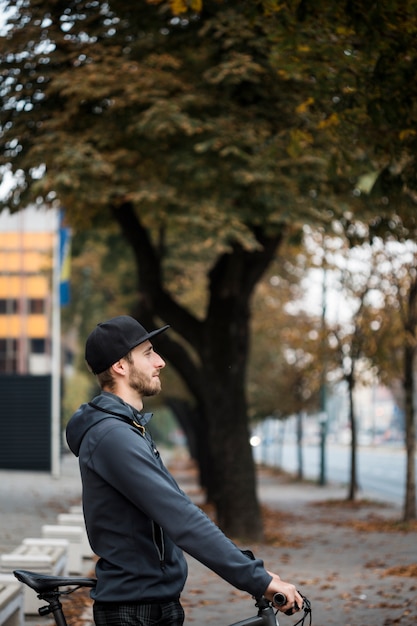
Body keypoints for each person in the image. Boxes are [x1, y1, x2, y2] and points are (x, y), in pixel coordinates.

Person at [66, 315, 303, 626]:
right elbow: (181, 518)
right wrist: (256, 579)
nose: (160, 362)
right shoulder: (114, 437)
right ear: (120, 367)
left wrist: (254, 570)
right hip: (134, 612)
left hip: (153, 602)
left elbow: (180, 510)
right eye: (148, 353)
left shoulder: (128, 429)